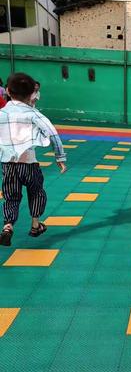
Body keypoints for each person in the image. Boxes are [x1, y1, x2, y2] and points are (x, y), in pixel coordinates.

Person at [0, 73, 67, 246]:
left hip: (8, 165)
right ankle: (35, 224)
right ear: (32, 94)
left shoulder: (1, 113)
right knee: (36, 191)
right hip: (29, 163)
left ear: (7, 90)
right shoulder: (33, 114)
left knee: (11, 197)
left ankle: (8, 226)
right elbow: (52, 133)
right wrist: (59, 156)